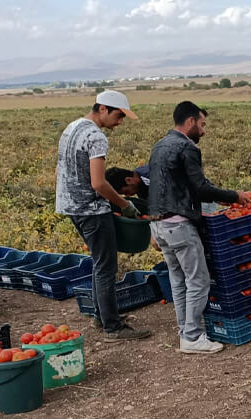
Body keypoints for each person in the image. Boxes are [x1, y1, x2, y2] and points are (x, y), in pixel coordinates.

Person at [147, 101, 251, 355]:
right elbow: (201, 188)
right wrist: (235, 196)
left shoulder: (160, 145)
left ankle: (185, 331)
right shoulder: (187, 147)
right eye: (202, 125)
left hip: (160, 223)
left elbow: (167, 186)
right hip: (179, 225)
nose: (204, 131)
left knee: (178, 280)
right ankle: (193, 336)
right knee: (198, 280)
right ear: (191, 121)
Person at [55, 90, 152, 340]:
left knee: (99, 262)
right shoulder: (96, 136)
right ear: (103, 109)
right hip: (91, 210)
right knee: (106, 266)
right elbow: (98, 183)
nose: (120, 122)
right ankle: (112, 327)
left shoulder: (71, 127)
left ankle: (103, 316)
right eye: (119, 116)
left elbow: (63, 170)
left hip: (71, 206)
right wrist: (124, 204)